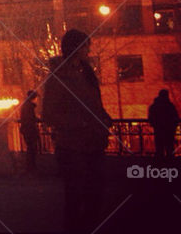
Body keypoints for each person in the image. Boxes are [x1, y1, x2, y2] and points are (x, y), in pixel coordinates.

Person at [42, 29, 112, 234]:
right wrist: (79, 123)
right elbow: (48, 114)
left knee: (95, 196)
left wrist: (103, 118)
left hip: (93, 143)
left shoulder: (86, 74)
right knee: (76, 197)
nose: (88, 50)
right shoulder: (60, 77)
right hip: (72, 147)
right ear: (75, 48)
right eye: (85, 46)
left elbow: (93, 104)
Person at [148, 89, 179, 160]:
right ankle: (169, 163)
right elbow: (175, 117)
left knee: (159, 148)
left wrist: (155, 125)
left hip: (159, 129)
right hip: (169, 130)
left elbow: (151, 118)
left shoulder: (154, 106)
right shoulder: (170, 106)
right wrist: (173, 126)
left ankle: (160, 164)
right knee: (169, 148)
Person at [18, 90, 40, 172]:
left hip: (26, 129)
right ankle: (31, 167)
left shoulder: (25, 106)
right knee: (32, 148)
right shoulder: (29, 107)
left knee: (30, 148)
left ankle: (30, 166)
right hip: (30, 130)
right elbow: (30, 118)